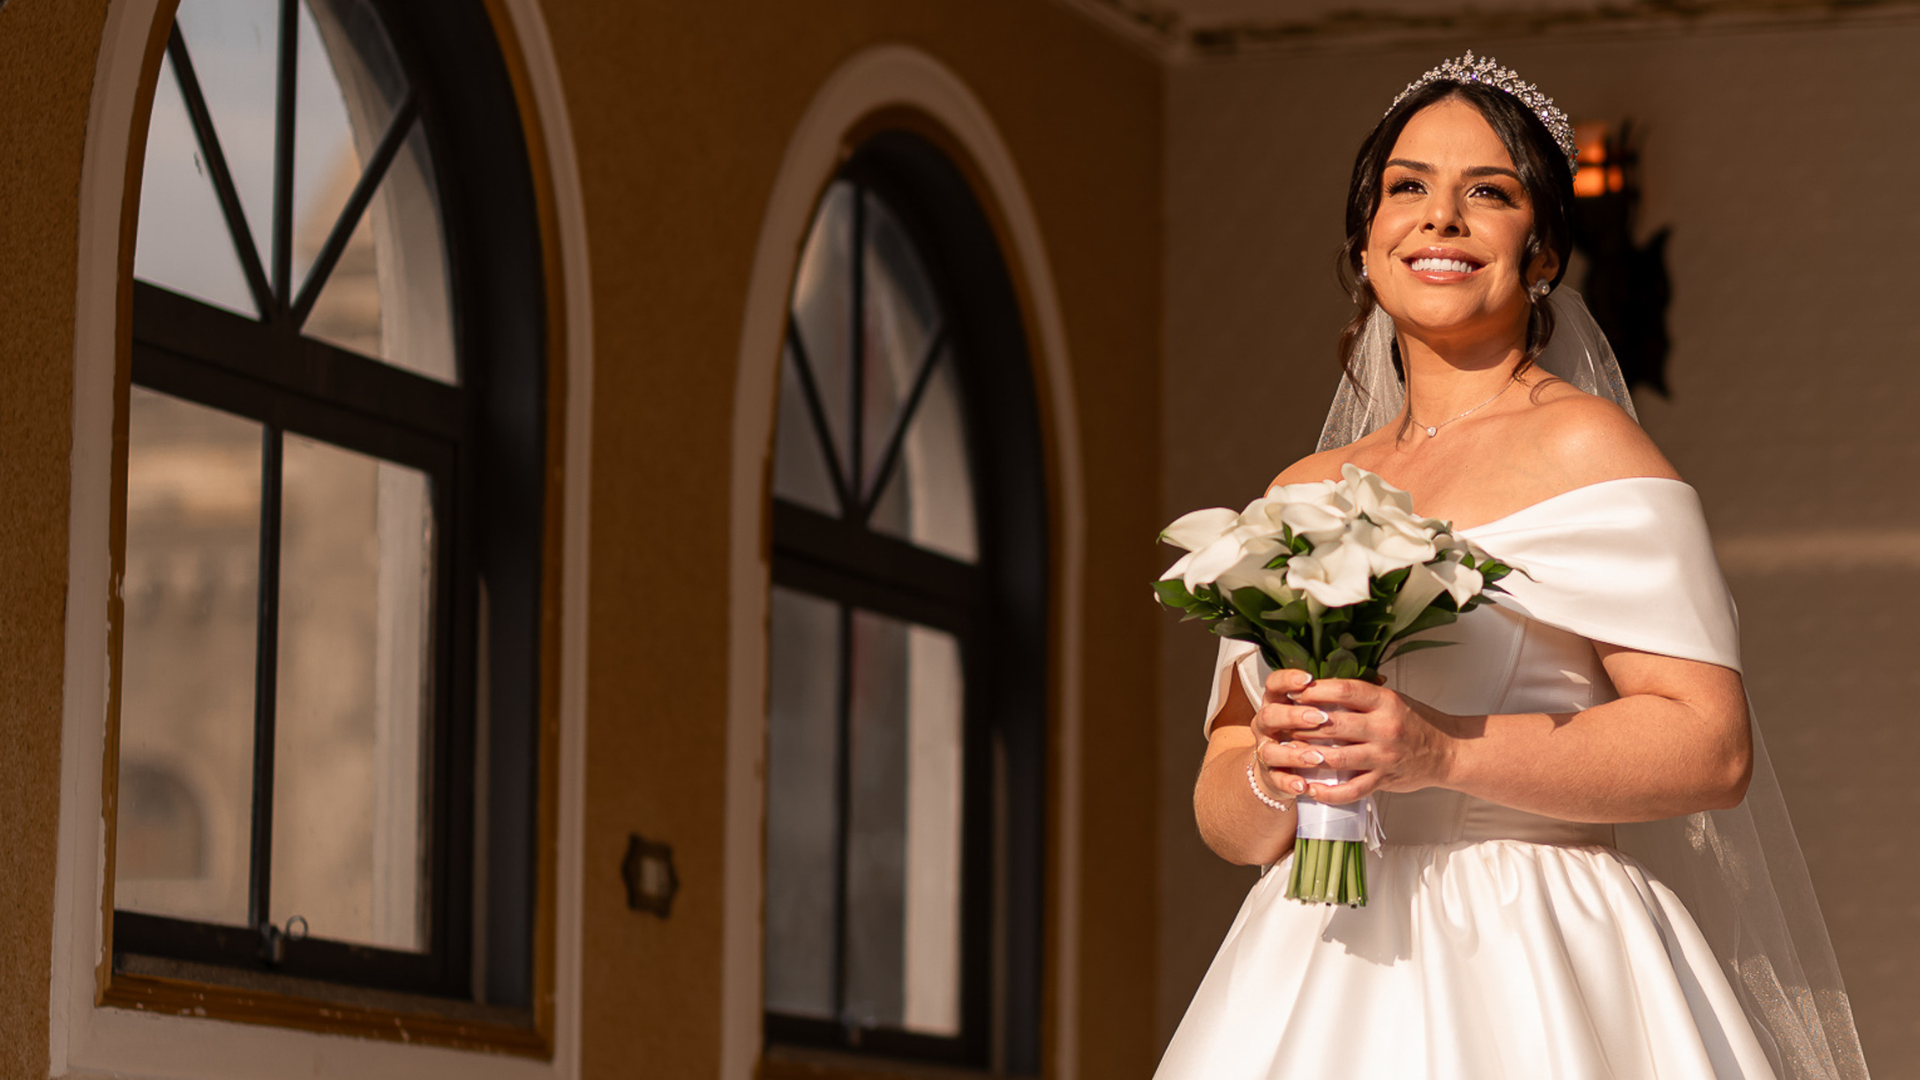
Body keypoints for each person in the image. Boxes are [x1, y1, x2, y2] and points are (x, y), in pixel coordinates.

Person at [1154, 53, 1867, 1080]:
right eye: (1407, 187)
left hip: (1533, 958)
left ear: (1543, 254)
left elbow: (1711, 749)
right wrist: (1275, 771)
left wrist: (1439, 752)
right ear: (1367, 239)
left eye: (1487, 193)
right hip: (1315, 961)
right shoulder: (1300, 492)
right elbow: (1226, 812)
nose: (1439, 219)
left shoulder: (1592, 451)